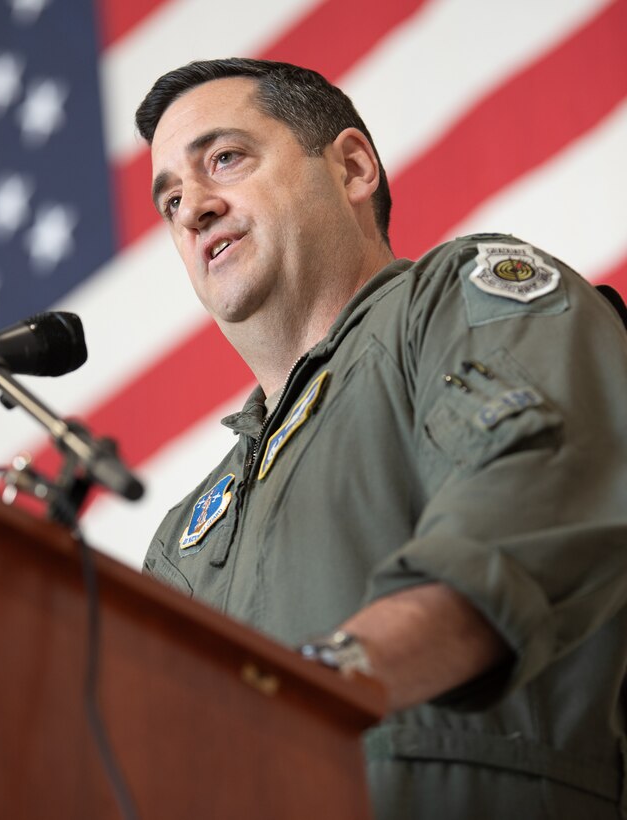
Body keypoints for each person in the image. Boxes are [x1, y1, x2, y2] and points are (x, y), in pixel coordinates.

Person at [135, 58, 627, 819]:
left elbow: (537, 499)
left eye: (224, 159)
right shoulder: (182, 542)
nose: (192, 208)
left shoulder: (455, 299)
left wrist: (318, 684)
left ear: (353, 167)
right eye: (169, 198)